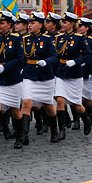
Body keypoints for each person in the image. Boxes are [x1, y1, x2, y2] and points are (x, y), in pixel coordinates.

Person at [19, 12, 59, 145]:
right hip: (29, 75)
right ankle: (23, 135)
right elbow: (22, 57)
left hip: (45, 76)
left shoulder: (47, 39)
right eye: (29, 23)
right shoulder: (25, 39)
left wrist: (46, 61)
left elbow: (54, 57)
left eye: (33, 23)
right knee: (26, 103)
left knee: (48, 105)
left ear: (40, 25)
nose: (29, 25)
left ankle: (54, 130)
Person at [54, 12, 92, 139]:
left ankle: (86, 119)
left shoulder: (80, 38)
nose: (62, 25)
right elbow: (56, 56)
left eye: (65, 22)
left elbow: (88, 56)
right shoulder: (59, 38)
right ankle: (62, 129)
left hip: (75, 74)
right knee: (60, 100)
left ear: (71, 24)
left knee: (76, 104)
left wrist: (76, 62)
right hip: (61, 73)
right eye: (62, 22)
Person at [0, 11, 25, 150]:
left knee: (15, 110)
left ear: (9, 24)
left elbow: (20, 60)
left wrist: (5, 67)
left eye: (1, 23)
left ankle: (21, 135)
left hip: (12, 79)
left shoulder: (16, 39)